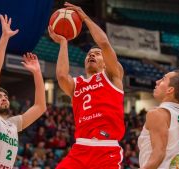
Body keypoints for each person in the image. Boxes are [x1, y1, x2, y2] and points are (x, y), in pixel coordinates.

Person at [48, 2, 124, 168]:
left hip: (106, 149)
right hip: (81, 148)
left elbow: (104, 44)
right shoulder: (77, 84)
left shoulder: (112, 75)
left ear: (105, 62)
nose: (92, 55)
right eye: (89, 54)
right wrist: (63, 43)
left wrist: (85, 18)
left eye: (97, 54)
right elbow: (61, 76)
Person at [0, 14, 46, 168]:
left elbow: (40, 107)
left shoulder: (13, 124)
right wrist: (5, 37)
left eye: (5, 96)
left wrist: (37, 73)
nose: (4, 98)